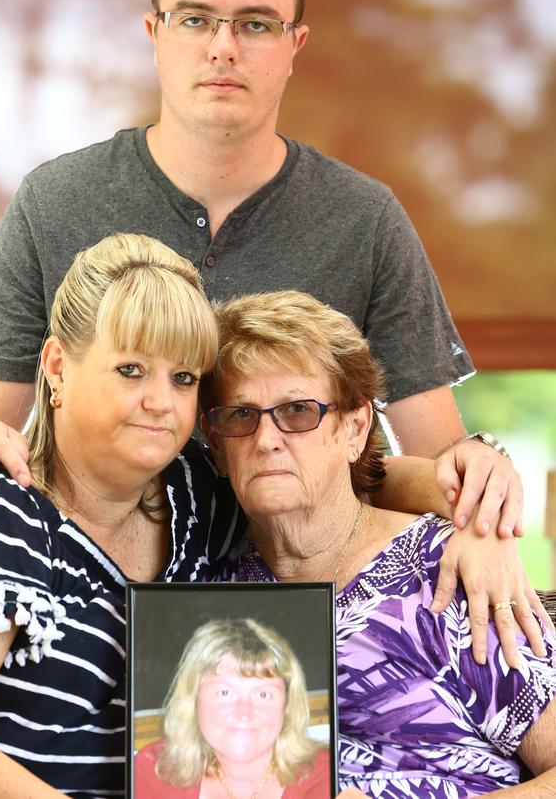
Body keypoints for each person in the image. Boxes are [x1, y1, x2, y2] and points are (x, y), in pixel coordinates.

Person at [0, 0, 523, 533]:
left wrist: (479, 515)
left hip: (310, 597)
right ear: (155, 35)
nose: (223, 47)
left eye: (256, 25)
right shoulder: (51, 205)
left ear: (295, 45)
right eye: (194, 19)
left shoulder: (365, 221)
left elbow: (438, 461)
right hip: (94, 586)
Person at [0, 233, 240, 797]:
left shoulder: (197, 499)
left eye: (183, 377)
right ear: (58, 367)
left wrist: (442, 505)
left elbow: (327, 494)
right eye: (131, 369)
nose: (162, 401)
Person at [201, 290, 556, 798]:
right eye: (240, 414)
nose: (266, 438)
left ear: (355, 427)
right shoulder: (208, 592)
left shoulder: (447, 571)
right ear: (214, 441)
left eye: (299, 411)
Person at [134, 618, 330, 798]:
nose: (244, 714)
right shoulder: (154, 771)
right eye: (224, 693)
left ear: (287, 705)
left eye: (263, 694)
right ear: (193, 701)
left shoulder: (326, 776)